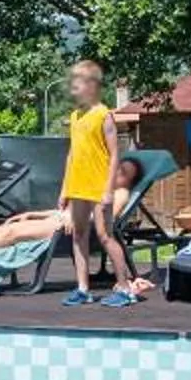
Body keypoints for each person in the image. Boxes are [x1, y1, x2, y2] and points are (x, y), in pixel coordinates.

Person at [0, 158, 148, 264]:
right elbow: (65, 211)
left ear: (130, 181)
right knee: (3, 228)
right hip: (61, 220)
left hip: (70, 228)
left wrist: (79, 221)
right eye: (119, 168)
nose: (117, 172)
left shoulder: (120, 194)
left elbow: (107, 218)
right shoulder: (102, 189)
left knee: (11, 234)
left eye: (124, 172)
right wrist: (33, 214)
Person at [57, 60, 146, 306]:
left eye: (78, 82)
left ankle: (125, 288)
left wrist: (108, 191)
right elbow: (72, 154)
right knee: (79, 235)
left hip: (99, 187)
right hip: (78, 186)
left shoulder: (103, 115)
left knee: (105, 235)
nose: (73, 87)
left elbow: (115, 154)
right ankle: (83, 289)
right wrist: (65, 189)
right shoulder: (75, 117)